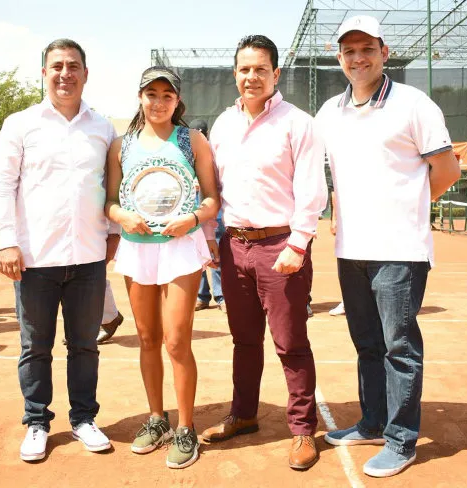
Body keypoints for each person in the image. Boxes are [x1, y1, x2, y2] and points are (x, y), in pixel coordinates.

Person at [315, 16, 461, 478]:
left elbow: (447, 170)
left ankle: (401, 440)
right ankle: (374, 423)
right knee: (367, 344)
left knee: (399, 346)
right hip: (350, 251)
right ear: (339, 58)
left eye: (366, 49)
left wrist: (410, 207)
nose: (358, 58)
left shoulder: (414, 104)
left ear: (385, 51)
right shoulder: (328, 112)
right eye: (349, 51)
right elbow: (329, 174)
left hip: (400, 249)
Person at [200, 35, 327, 470]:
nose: (251, 77)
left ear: (276, 74)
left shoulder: (299, 123)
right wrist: (209, 241)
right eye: (243, 69)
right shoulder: (221, 125)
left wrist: (297, 244)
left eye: (260, 69)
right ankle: (245, 414)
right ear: (234, 74)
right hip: (233, 247)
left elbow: (312, 190)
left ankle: (303, 429)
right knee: (244, 341)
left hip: (281, 247)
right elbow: (211, 189)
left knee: (291, 343)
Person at [0, 38, 117, 462]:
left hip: (87, 257)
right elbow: (2, 186)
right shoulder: (20, 124)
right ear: (43, 73)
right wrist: (7, 240)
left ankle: (83, 419)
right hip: (35, 259)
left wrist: (112, 232)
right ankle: (37, 422)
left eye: (73, 65)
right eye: (56, 66)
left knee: (85, 345)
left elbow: (110, 185)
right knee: (35, 347)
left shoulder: (102, 127)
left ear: (85, 73)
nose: (65, 73)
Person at [106, 67, 220, 469]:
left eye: (166, 95)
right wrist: (122, 217)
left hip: (180, 249)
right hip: (138, 250)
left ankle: (186, 427)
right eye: (150, 93)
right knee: (147, 338)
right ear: (140, 97)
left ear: (177, 100)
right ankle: (157, 419)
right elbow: (111, 201)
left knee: (176, 341)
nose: (158, 101)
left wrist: (192, 220)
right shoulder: (121, 145)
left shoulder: (193, 141)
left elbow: (212, 199)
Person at [189, 119, 225, 314]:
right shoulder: (184, 151)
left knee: (215, 252)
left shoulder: (212, 152)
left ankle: (221, 296)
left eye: (201, 132)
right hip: (191, 211)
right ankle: (201, 296)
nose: (198, 135)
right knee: (195, 254)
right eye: (195, 132)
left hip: (211, 210)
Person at [325, 157, 345, 317]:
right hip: (348, 220)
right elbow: (334, 191)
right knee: (347, 260)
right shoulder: (339, 159)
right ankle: (348, 301)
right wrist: (334, 218)